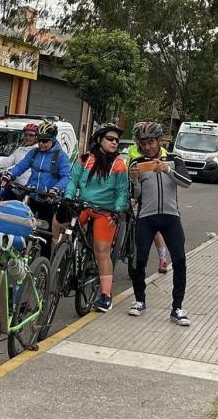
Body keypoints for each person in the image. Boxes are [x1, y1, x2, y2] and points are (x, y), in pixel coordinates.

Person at [126, 121, 191, 326]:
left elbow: (187, 182)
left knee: (180, 260)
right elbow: (135, 194)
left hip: (171, 217)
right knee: (139, 261)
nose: (147, 147)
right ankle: (139, 301)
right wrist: (134, 180)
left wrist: (168, 170)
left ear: (160, 141)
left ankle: (177, 308)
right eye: (143, 143)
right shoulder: (137, 162)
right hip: (146, 217)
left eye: (151, 142)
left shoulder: (174, 159)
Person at [65, 123, 129, 313]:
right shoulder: (84, 159)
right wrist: (68, 197)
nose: (115, 142)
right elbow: (73, 180)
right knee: (61, 224)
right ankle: (59, 263)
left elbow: (122, 191)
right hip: (84, 206)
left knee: (101, 251)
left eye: (117, 140)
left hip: (105, 212)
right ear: (99, 140)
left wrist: (117, 210)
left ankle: (105, 295)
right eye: (111, 139)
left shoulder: (118, 165)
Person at [2, 120, 71, 256]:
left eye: (45, 141)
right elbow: (21, 166)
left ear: (53, 139)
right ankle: (19, 255)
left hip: (48, 199)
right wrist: (9, 175)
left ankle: (43, 266)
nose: (41, 144)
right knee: (22, 226)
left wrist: (56, 189)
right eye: (39, 140)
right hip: (31, 194)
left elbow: (66, 177)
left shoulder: (60, 156)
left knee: (45, 234)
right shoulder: (34, 153)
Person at [125, 139, 171, 274]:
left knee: (155, 229)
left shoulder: (162, 152)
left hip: (150, 191)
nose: (147, 147)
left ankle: (162, 259)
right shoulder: (132, 150)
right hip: (134, 183)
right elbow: (127, 166)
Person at [0, 123, 39, 196]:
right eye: (26, 135)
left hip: (28, 190)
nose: (27, 137)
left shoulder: (39, 152)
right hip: (14, 186)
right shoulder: (20, 150)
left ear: (37, 137)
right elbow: (7, 162)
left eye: (31, 135)